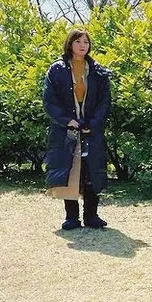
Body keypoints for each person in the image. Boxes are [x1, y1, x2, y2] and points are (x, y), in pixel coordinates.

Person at [43, 29, 112, 230]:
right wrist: (67, 120)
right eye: (78, 41)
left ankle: (92, 216)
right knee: (70, 171)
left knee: (92, 171)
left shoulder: (98, 70)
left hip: (91, 129)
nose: (83, 45)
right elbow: (49, 101)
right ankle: (71, 217)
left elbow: (105, 101)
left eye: (86, 42)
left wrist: (94, 123)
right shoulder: (56, 69)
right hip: (67, 130)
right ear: (70, 44)